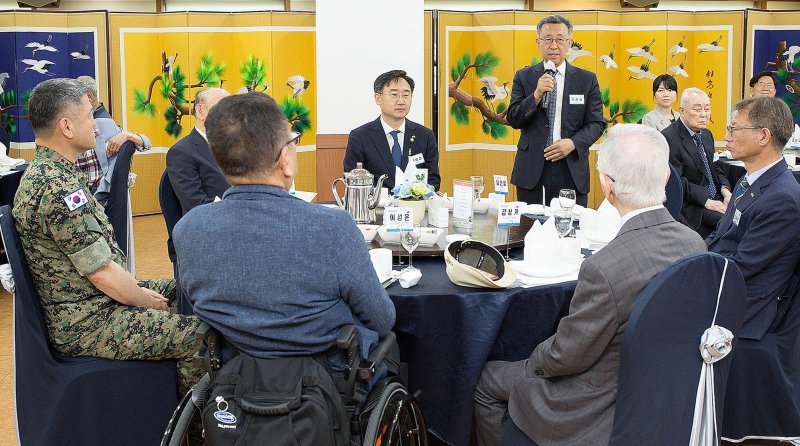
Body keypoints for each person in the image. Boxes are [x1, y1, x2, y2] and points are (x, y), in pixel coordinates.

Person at [473, 124, 706, 446]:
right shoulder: (695, 244)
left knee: (487, 379)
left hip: (597, 406)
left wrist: (530, 355)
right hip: (667, 394)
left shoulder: (604, 267)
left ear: (606, 185)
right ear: (667, 177)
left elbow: (564, 358)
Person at [12, 78, 201, 394]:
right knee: (198, 335)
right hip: (87, 322)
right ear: (67, 127)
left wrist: (143, 294)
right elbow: (103, 275)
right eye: (89, 117)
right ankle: (194, 433)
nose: (97, 128)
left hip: (89, 302)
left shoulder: (53, 174)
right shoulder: (58, 189)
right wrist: (145, 300)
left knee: (188, 289)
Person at [174, 92, 395, 362]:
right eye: (293, 142)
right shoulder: (332, 228)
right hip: (328, 380)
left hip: (235, 374)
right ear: (285, 160)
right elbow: (381, 319)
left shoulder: (188, 230)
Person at [707, 96, 800, 340]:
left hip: (745, 309)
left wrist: (691, 270)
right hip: (723, 279)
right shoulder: (749, 179)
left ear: (763, 136)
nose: (727, 136)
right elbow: (721, 234)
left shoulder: (782, 199)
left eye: (734, 128)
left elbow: (743, 266)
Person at [506, 14, 604, 206]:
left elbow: (597, 124)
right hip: (533, 168)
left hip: (571, 167)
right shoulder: (524, 76)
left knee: (571, 230)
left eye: (560, 39)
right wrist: (535, 95)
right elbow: (514, 119)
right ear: (538, 42)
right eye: (547, 39)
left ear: (569, 43)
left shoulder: (587, 80)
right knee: (530, 229)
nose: (553, 45)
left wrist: (573, 143)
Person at [344, 70, 440, 191]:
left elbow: (433, 181)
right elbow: (352, 182)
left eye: (406, 95)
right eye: (394, 95)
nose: (401, 101)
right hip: (376, 207)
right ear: (378, 98)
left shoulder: (425, 136)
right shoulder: (360, 136)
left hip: (414, 206)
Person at [662, 87, 731, 238]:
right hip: (692, 204)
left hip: (716, 196)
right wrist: (707, 201)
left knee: (744, 213)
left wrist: (726, 191)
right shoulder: (668, 137)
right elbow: (676, 181)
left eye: (707, 109)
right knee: (728, 222)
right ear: (682, 111)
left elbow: (713, 168)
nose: (704, 115)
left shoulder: (706, 135)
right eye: (697, 109)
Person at [74, 76, 151, 198]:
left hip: (98, 193)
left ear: (89, 97)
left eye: (76, 99)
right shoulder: (81, 123)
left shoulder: (104, 123)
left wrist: (127, 135)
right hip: (81, 190)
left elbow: (146, 143)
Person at [166, 87, 231, 215]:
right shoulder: (181, 152)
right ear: (201, 111)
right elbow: (195, 204)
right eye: (223, 108)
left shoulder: (238, 145)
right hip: (213, 222)